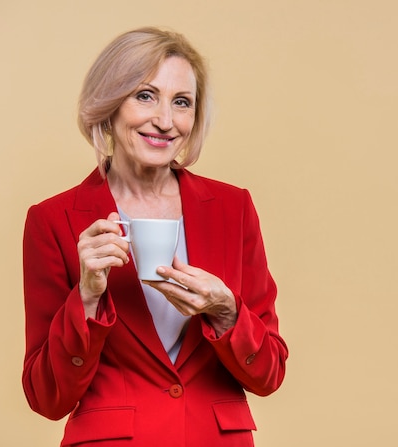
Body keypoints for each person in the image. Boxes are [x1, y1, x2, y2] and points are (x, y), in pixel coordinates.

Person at [22, 27, 288, 447]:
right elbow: (46, 398)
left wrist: (226, 313)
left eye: (181, 102)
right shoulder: (52, 220)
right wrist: (87, 297)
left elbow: (270, 373)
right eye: (145, 95)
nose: (165, 121)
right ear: (108, 105)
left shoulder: (233, 207)